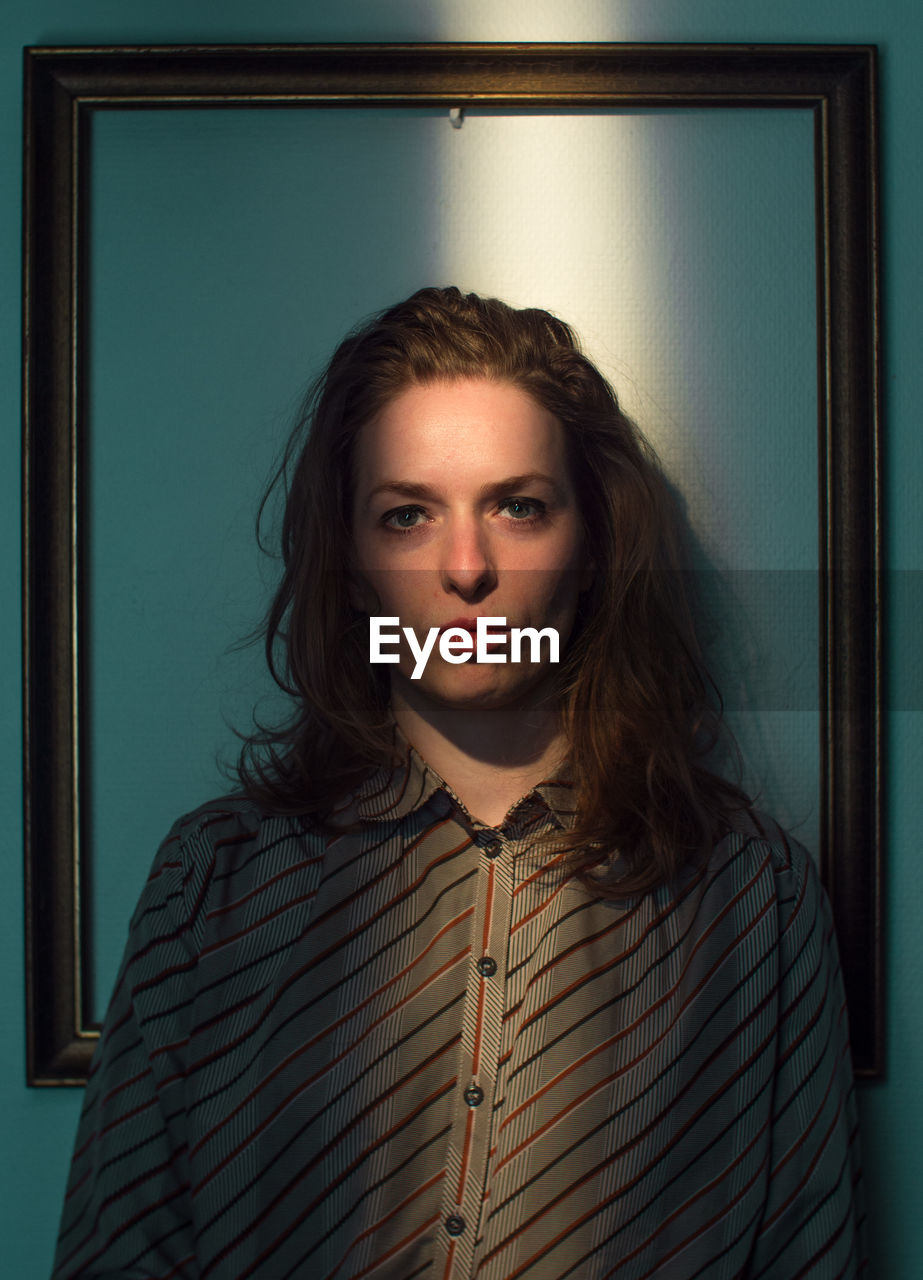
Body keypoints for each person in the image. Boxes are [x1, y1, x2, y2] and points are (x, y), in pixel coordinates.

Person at [53, 287, 866, 1279]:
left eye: (516, 506)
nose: (466, 567)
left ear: (591, 544)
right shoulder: (213, 882)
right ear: (349, 563)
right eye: (407, 516)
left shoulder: (751, 897)